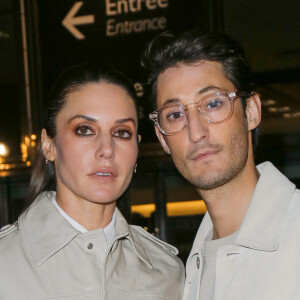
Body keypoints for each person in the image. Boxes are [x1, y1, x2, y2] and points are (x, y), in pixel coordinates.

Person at [0, 64, 184, 299]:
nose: (106, 149)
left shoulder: (168, 273)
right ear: (49, 145)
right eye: (85, 130)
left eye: (122, 132)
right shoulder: (5, 265)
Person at [142, 30, 300, 300]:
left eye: (213, 103)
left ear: (250, 112)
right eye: (175, 114)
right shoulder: (186, 274)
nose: (196, 131)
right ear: (162, 138)